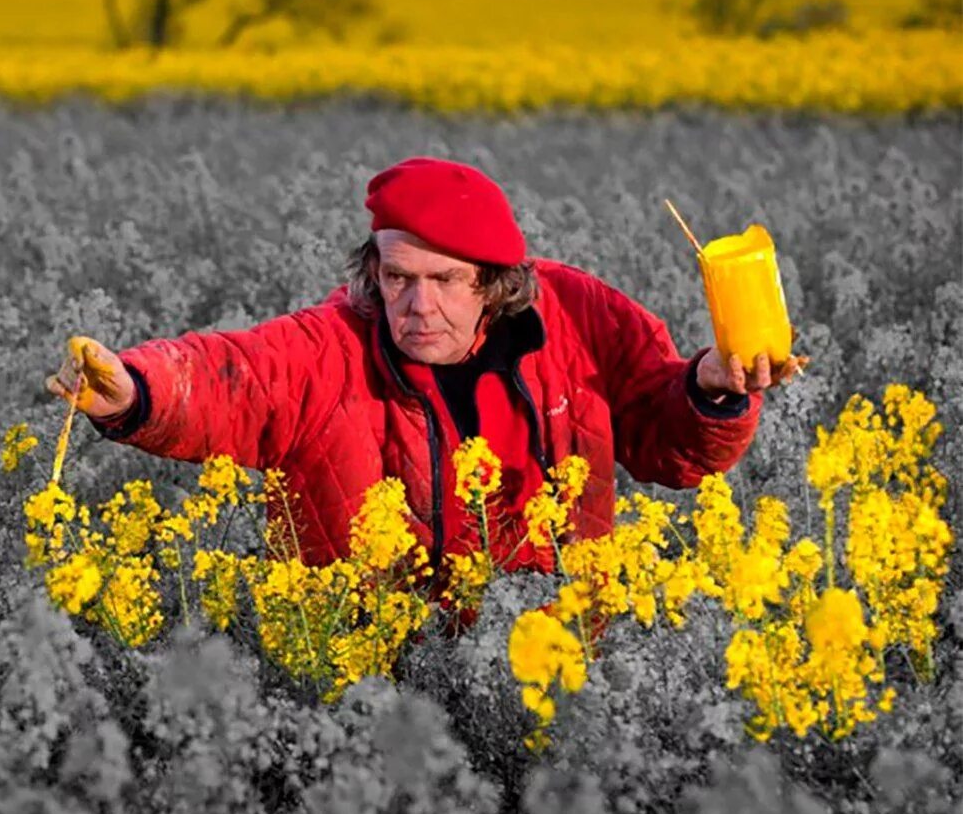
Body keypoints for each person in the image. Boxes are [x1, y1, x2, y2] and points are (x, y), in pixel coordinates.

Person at [47, 156, 801, 575]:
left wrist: (708, 391)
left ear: (495, 283)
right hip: (377, 668)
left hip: (555, 656)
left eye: (445, 281)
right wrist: (136, 391)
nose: (417, 304)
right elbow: (235, 378)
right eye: (397, 276)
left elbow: (659, 436)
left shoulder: (576, 315)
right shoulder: (333, 345)